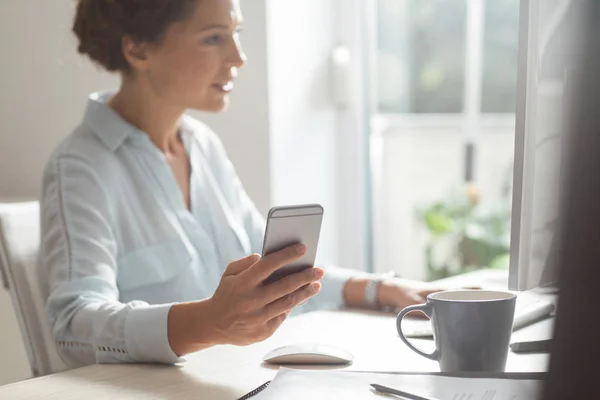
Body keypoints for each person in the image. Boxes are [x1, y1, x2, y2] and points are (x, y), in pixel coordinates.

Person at [41, 0, 441, 367]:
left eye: (236, 34)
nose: (239, 58)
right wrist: (208, 323)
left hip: (237, 379)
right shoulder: (80, 167)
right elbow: (73, 326)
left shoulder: (202, 146)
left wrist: (380, 289)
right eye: (214, 38)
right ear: (139, 49)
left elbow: (270, 272)